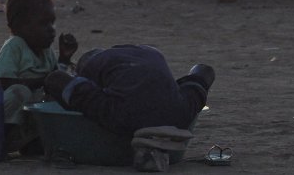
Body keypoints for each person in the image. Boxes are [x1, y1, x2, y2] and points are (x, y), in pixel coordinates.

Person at [44, 45, 214, 137]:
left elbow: (83, 92)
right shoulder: (148, 51)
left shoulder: (92, 65)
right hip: (176, 114)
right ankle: (157, 136)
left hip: (124, 115)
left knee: (55, 79)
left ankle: (137, 137)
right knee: (202, 74)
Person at [0, 0, 78, 154]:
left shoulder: (46, 51)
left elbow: (56, 80)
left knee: (56, 97)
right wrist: (42, 81)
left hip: (29, 115)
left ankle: (31, 140)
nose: (51, 29)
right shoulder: (15, 46)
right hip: (0, 113)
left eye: (52, 22)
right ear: (19, 26)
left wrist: (64, 59)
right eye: (43, 23)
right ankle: (2, 137)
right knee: (20, 92)